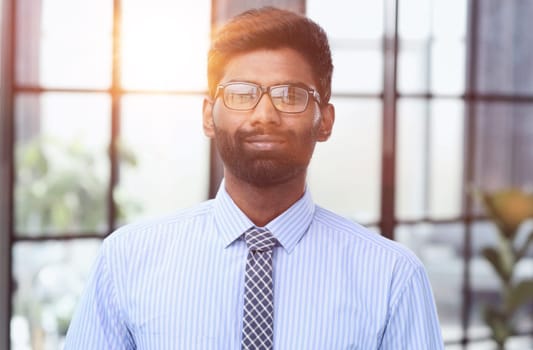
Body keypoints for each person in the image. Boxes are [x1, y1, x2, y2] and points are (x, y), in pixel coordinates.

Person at [64, 6, 444, 349]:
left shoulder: (393, 277)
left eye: (290, 95)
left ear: (325, 121)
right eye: (241, 94)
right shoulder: (127, 260)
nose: (264, 114)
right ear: (208, 116)